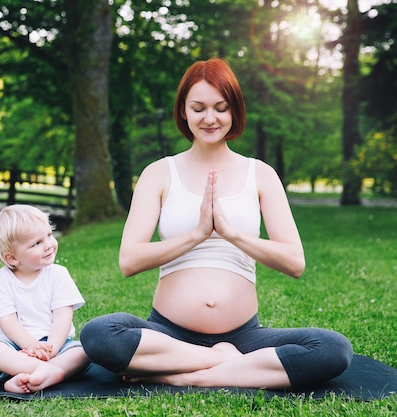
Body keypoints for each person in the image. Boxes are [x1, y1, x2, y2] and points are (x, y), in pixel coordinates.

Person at [79, 58, 353, 390]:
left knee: (333, 349)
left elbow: (294, 262)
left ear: (235, 110)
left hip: (244, 336)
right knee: (99, 335)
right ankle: (230, 365)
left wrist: (231, 233)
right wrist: (196, 235)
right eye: (199, 108)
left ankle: (181, 375)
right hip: (168, 334)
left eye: (221, 108)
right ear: (183, 111)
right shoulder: (159, 173)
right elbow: (129, 261)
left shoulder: (261, 174)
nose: (210, 118)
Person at [0, 204, 90, 394]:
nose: (48, 245)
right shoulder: (3, 279)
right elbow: (8, 321)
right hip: (17, 347)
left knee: (83, 352)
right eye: (36, 243)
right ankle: (48, 372)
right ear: (12, 258)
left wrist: (51, 349)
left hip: (56, 345)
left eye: (49, 235)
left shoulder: (58, 274)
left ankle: (28, 375)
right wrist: (30, 346)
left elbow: (63, 317)